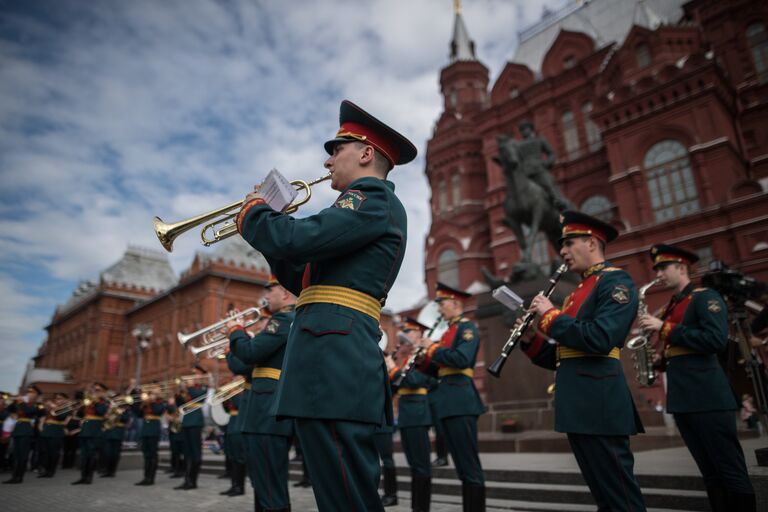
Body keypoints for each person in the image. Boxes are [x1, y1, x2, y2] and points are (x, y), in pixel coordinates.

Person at [234, 99, 416, 511]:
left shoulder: (370, 197)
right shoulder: (357, 204)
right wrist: (262, 230)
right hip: (326, 359)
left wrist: (258, 218)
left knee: (348, 497)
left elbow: (300, 238)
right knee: (337, 494)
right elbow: (301, 275)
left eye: (337, 149)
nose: (329, 159)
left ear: (366, 153)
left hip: (335, 359)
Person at [522, 210, 646, 512]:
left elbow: (601, 338)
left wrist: (550, 316)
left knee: (620, 498)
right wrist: (529, 340)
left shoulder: (615, 282)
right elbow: (565, 356)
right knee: (604, 497)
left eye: (568, 243)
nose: (562, 251)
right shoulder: (577, 293)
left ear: (591, 243)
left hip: (600, 403)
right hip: (579, 404)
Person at [638, 244, 756, 511]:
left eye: (663, 268)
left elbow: (715, 340)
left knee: (730, 471)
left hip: (707, 395)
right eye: (656, 269)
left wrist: (663, 327)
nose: (659, 273)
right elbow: (683, 346)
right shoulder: (673, 304)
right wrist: (661, 360)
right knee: (710, 473)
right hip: (683, 398)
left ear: (681, 268)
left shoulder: (705, 298)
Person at [228, 276, 297, 511]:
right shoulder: (284, 321)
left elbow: (249, 353)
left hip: (267, 413)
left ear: (286, 292)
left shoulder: (283, 320)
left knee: (269, 484)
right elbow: (246, 363)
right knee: (264, 482)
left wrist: (236, 331)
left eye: (270, 291)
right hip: (263, 412)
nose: (266, 296)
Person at [416, 283, 486, 511]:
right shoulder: (448, 332)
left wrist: (433, 349)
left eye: (442, 303)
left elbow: (462, 359)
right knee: (462, 470)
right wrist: (423, 360)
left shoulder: (467, 328)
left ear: (456, 303)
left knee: (469, 468)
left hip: (460, 400)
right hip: (448, 401)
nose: (439, 309)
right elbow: (439, 370)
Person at [389, 317, 433, 512]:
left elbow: (415, 381)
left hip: (417, 412)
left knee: (421, 465)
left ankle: (422, 508)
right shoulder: (407, 358)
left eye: (409, 334)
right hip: (407, 413)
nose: (405, 339)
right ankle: (417, 507)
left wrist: (393, 368)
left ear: (418, 335)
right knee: (414, 465)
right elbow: (395, 388)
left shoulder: (424, 356)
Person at [174, 365, 209, 490]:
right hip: (187, 420)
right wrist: (178, 393)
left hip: (196, 420)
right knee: (187, 453)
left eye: (196, 374)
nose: (193, 376)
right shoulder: (189, 388)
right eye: (193, 373)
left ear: (201, 375)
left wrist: (189, 387)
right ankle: (187, 479)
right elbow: (180, 405)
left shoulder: (203, 387)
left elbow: (199, 397)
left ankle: (193, 481)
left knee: (195, 453)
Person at [3, 385, 43, 484]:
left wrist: (22, 403)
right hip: (17, 429)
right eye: (29, 391)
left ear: (37, 395)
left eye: (32, 392)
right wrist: (13, 406)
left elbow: (30, 411)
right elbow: (8, 409)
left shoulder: (37, 404)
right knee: (16, 454)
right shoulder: (22, 402)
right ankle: (14, 476)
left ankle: (19, 477)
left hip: (26, 430)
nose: (29, 393)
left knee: (23, 455)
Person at [72, 382, 110, 485]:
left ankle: (89, 477)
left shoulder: (104, 403)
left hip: (94, 431)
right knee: (84, 455)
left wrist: (95, 401)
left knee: (91, 455)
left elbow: (100, 412)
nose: (95, 392)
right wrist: (82, 404)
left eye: (98, 390)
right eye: (94, 390)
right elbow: (79, 414)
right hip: (85, 430)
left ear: (103, 393)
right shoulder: (89, 402)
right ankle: (82, 477)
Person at [134, 390, 167, 486]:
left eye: (151, 394)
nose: (149, 396)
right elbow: (138, 414)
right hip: (145, 430)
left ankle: (151, 478)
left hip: (153, 429)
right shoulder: (146, 404)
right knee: (146, 454)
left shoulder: (160, 402)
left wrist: (152, 402)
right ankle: (145, 477)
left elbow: (158, 411)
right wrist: (142, 403)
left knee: (152, 454)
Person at [38, 392, 70, 478]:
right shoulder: (51, 408)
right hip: (47, 431)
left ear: (65, 400)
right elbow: (43, 416)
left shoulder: (66, 408)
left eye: (60, 398)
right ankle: (45, 470)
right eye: (56, 399)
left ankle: (51, 471)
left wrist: (53, 407)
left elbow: (61, 417)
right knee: (45, 452)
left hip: (56, 432)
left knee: (53, 452)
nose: (57, 400)